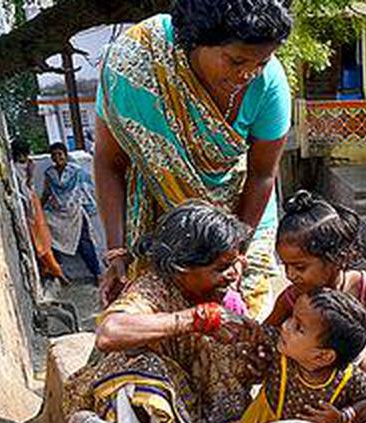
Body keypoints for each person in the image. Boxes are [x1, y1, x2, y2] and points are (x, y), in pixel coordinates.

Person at [93, 0, 293, 314]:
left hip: (241, 215)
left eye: (262, 62)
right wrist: (117, 251)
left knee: (246, 323)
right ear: (196, 40)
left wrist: (236, 253)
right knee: (156, 318)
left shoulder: (270, 86)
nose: (248, 74)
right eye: (235, 60)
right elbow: (109, 163)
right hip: (163, 222)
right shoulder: (137, 62)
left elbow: (262, 175)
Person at [63, 203, 264, 423]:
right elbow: (109, 332)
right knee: (136, 369)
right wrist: (193, 320)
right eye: (222, 267)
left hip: (210, 418)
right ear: (181, 269)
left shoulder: (226, 297)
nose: (233, 274)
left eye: (235, 263)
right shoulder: (152, 288)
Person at [265, 190, 366, 415]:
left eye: (299, 267)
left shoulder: (362, 285)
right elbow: (266, 330)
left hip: (351, 360)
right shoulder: (291, 296)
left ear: (336, 258)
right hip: (306, 366)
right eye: (286, 266)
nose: (290, 275)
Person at [219, 288, 366, 423]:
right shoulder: (277, 350)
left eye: (298, 328)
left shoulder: (350, 378)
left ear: (323, 356)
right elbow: (256, 333)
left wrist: (342, 417)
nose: (285, 326)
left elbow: (364, 401)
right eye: (291, 318)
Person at [43, 142, 103, 281]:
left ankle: (97, 273)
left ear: (65, 155)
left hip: (75, 211)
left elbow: (87, 188)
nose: (57, 157)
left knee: (84, 242)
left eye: (60, 154)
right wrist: (39, 208)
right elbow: (47, 193)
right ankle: (59, 273)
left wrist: (89, 206)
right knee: (50, 240)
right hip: (57, 212)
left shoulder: (76, 171)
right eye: (54, 155)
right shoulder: (50, 174)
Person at [11, 139, 64, 280]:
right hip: (28, 205)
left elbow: (30, 187)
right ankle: (51, 270)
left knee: (43, 238)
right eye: (21, 155)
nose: (24, 158)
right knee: (37, 240)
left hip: (33, 204)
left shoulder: (28, 165)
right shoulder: (15, 168)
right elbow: (25, 188)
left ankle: (55, 270)